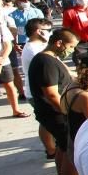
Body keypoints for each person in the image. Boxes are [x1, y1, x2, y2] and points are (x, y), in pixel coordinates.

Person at [28, 28, 81, 175]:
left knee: (61, 147)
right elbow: (51, 94)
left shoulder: (50, 59)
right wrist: (67, 111)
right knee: (69, 151)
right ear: (59, 43)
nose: (72, 50)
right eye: (71, 46)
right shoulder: (45, 62)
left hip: (54, 113)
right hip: (56, 113)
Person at [21, 18, 57, 161]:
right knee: (48, 122)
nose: (50, 33)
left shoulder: (38, 47)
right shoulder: (34, 50)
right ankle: (51, 150)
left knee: (46, 122)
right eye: (48, 30)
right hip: (40, 93)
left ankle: (51, 149)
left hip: (39, 91)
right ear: (39, 31)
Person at [0, 0, 29, 119]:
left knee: (9, 85)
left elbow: (7, 44)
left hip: (3, 61)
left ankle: (16, 110)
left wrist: (0, 61)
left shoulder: (0, 24)